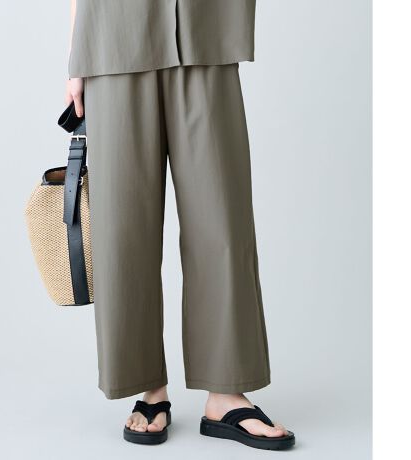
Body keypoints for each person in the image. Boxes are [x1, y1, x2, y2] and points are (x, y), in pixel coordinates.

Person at [65, 0, 295, 450]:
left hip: (205, 28)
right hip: (112, 35)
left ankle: (226, 392)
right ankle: (147, 386)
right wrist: (75, 56)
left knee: (222, 221)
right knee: (123, 229)